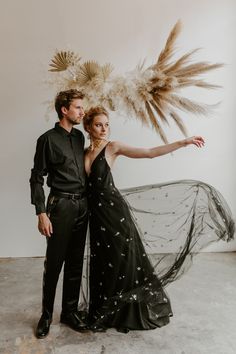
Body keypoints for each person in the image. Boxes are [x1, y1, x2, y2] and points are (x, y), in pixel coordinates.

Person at [82, 106, 234, 333]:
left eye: (106, 124)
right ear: (88, 127)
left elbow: (149, 152)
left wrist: (183, 142)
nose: (104, 129)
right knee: (102, 260)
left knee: (122, 260)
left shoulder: (112, 147)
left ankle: (125, 311)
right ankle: (105, 310)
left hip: (115, 213)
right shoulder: (83, 153)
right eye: (98, 125)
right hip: (96, 215)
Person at [30, 89, 89, 338]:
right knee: (54, 264)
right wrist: (41, 212)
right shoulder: (47, 140)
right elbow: (36, 177)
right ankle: (46, 316)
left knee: (76, 262)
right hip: (60, 206)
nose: (82, 111)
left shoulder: (79, 138)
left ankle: (69, 312)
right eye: (77, 107)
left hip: (82, 205)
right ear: (64, 110)